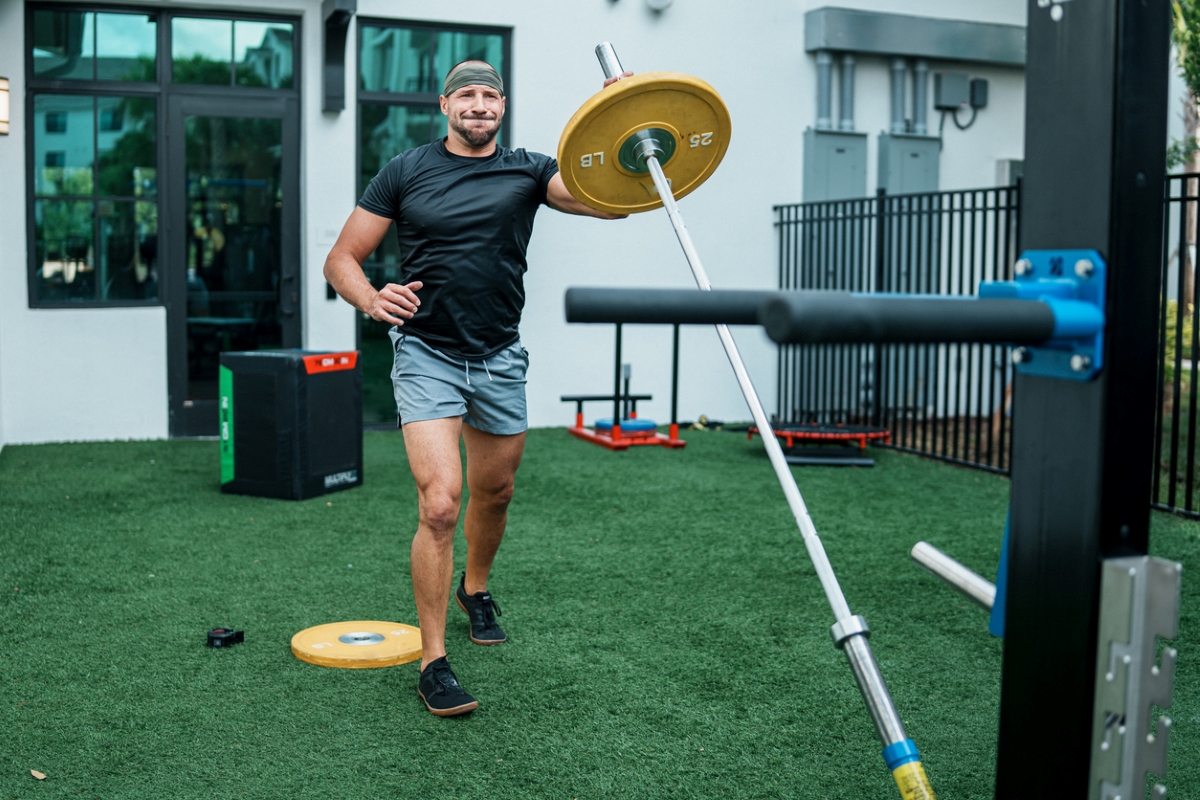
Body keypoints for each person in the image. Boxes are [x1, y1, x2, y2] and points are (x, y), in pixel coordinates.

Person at [323, 60, 629, 716]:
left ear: (503, 105)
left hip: (497, 356)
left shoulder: (528, 169)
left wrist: (622, 121)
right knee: (440, 504)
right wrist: (374, 299)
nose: (480, 104)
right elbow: (340, 259)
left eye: (491, 95)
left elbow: (607, 202)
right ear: (445, 105)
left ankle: (476, 586)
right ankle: (434, 661)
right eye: (467, 94)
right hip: (426, 351)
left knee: (496, 492)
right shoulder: (404, 171)